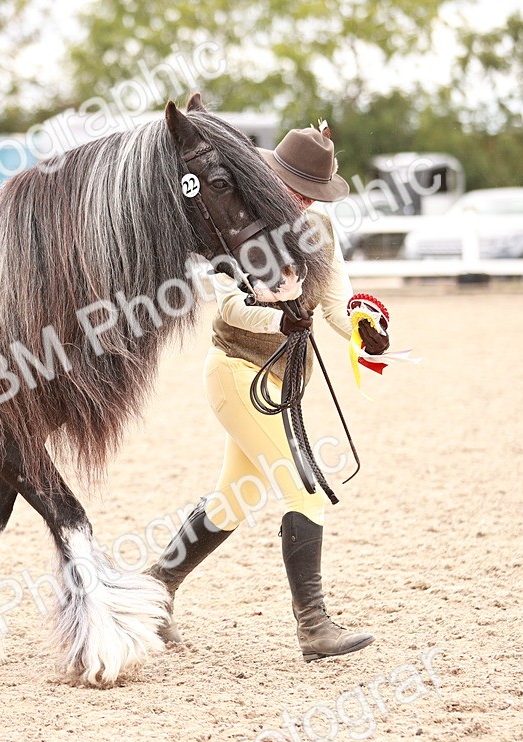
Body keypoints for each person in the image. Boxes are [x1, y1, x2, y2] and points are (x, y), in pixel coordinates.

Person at [146, 123, 390, 662]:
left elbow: (335, 302)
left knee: (233, 500)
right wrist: (278, 321)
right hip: (236, 372)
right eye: (297, 190)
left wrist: (362, 327)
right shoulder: (241, 225)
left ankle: (152, 590)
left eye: (312, 194)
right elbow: (229, 305)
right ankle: (314, 627)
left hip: (284, 379)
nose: (304, 201)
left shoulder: (320, 227)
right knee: (305, 487)